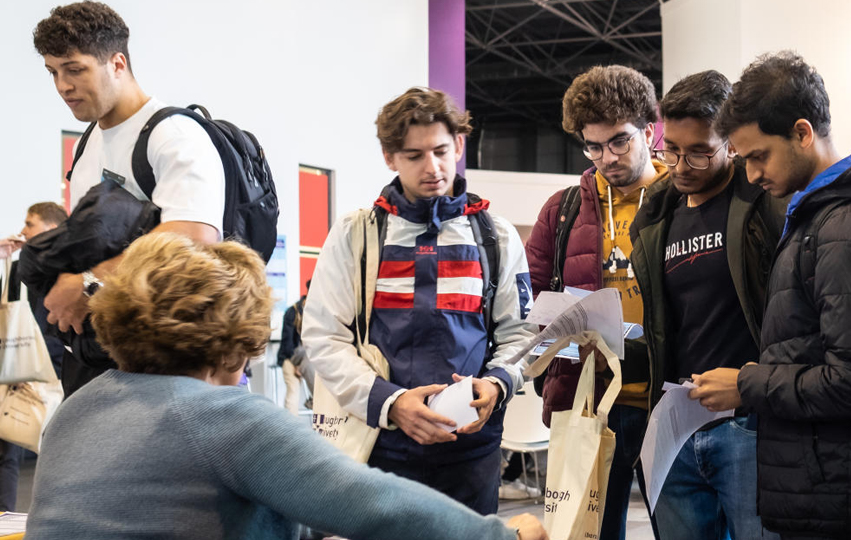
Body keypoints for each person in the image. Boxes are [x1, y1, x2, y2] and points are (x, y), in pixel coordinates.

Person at [23, 233, 547, 540]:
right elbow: (374, 504)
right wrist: (501, 535)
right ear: (234, 346)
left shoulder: (77, 409)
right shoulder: (223, 417)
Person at [691, 51, 851, 539]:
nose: (752, 175)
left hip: (837, 492)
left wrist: (747, 384)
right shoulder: (821, 217)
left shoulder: (848, 226)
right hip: (821, 482)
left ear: (802, 133)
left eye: (759, 156)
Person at [302, 87, 536, 515]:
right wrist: (390, 403)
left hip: (472, 452)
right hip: (380, 449)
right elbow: (323, 337)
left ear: (459, 146)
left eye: (441, 151)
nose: (432, 167)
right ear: (389, 157)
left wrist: (497, 384)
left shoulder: (496, 236)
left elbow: (521, 335)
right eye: (414, 155)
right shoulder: (356, 235)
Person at [33, 1, 224, 395]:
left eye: (74, 69)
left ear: (117, 63)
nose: (62, 86)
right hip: (97, 354)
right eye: (53, 72)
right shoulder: (87, 143)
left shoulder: (172, 134)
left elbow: (196, 238)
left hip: (163, 361)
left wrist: (88, 283)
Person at [628, 70, 786, 540]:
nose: (680, 165)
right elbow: (669, 327)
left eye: (699, 151)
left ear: (731, 144)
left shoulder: (765, 207)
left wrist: (755, 385)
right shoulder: (656, 217)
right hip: (676, 422)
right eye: (671, 149)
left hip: (747, 424)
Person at [525, 64, 668, 540]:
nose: (607, 158)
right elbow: (535, 304)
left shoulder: (680, 200)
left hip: (667, 401)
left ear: (649, 130)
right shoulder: (562, 209)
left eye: (620, 141)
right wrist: (564, 349)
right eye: (593, 146)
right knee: (588, 532)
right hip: (590, 401)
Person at [0, 202, 68, 512]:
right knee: (9, 447)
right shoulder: (18, 269)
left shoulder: (72, 270)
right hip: (21, 371)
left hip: (55, 372)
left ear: (51, 229)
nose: (23, 231)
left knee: (59, 448)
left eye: (30, 224)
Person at [278, 280, 309, 414]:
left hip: (308, 360)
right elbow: (288, 344)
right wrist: (297, 364)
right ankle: (290, 424)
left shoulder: (318, 313)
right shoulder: (293, 312)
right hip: (290, 359)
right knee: (293, 392)